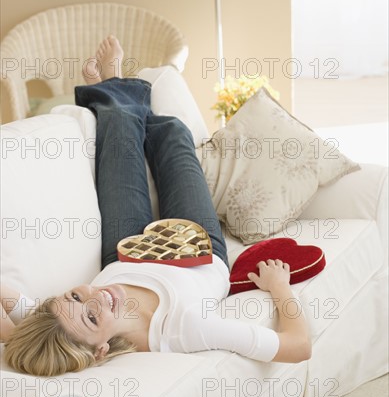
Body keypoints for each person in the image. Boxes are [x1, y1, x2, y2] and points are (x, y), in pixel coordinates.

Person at [1, 36, 311, 377]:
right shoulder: (184, 329)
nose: (96, 297)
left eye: (75, 296)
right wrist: (279, 286)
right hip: (196, 249)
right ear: (100, 351)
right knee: (171, 132)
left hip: (125, 253)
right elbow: (298, 347)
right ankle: (111, 89)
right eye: (92, 317)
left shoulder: (61, 323)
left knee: (119, 128)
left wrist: (17, 336)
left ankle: (112, 88)